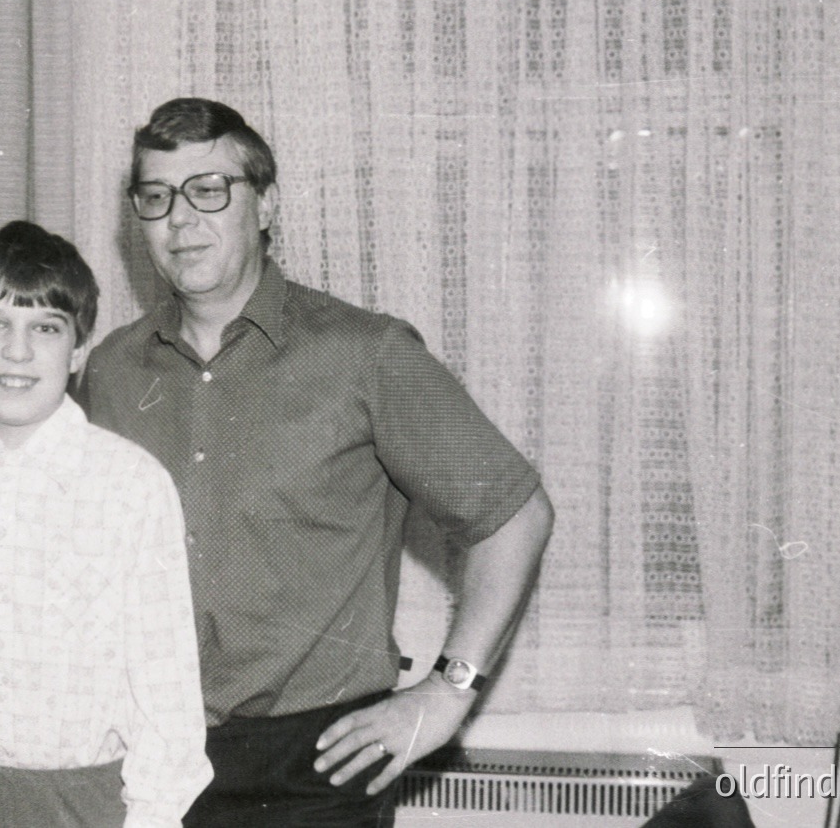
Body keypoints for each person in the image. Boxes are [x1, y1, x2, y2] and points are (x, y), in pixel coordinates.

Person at [80, 98, 556, 828]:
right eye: (155, 197)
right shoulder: (111, 370)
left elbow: (514, 514)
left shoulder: (365, 355)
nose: (179, 220)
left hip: (314, 769)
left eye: (209, 190)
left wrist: (449, 691)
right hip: (144, 756)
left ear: (266, 204)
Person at [0, 220, 211, 828]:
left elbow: (166, 690)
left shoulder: (129, 485)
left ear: (78, 351)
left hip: (88, 800)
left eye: (45, 329)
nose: (17, 352)